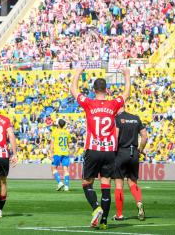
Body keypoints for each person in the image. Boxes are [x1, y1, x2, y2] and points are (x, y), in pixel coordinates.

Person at [70, 68, 130, 230]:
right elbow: (126, 94)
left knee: (86, 183)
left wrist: (77, 72)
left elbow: (73, 90)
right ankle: (104, 222)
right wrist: (126, 75)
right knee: (105, 185)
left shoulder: (89, 103)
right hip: (109, 151)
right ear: (107, 90)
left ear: (94, 90)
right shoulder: (113, 105)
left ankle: (96, 208)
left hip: (93, 149)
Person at [113, 108, 148, 221]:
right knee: (132, 182)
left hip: (121, 152)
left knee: (119, 184)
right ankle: (139, 202)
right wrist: (140, 149)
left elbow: (116, 137)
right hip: (134, 153)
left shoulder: (117, 119)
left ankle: (119, 214)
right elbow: (144, 136)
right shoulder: (136, 118)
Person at [49, 118, 72, 191]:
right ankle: (66, 186)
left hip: (57, 152)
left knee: (53, 167)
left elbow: (52, 143)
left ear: (58, 124)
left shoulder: (55, 132)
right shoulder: (67, 132)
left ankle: (59, 183)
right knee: (65, 169)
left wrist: (51, 153)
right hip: (65, 152)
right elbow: (70, 145)